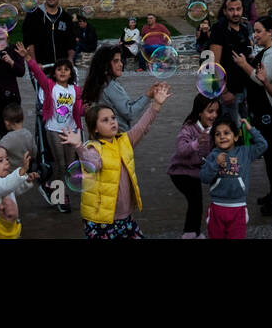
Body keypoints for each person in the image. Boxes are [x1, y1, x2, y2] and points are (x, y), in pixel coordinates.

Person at [65, 84, 172, 239]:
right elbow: (92, 165)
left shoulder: (124, 140)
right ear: (95, 128)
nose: (112, 122)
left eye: (113, 118)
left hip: (125, 216)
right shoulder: (94, 148)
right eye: (105, 120)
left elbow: (142, 126)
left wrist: (156, 104)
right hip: (100, 219)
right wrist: (79, 146)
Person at [15, 43, 82, 213]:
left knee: (69, 164)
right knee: (59, 163)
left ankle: (51, 186)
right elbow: (38, 74)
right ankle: (61, 197)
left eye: (66, 69)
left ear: (70, 73)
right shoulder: (50, 86)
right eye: (59, 69)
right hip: (54, 129)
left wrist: (84, 113)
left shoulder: (76, 90)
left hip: (70, 131)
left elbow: (78, 111)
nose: (62, 72)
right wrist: (27, 57)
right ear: (55, 72)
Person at [238, 14, 272, 215]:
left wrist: (243, 64)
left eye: (259, 31)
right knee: (270, 155)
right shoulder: (268, 50)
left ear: (270, 32)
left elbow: (262, 79)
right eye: (255, 31)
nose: (255, 35)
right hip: (262, 110)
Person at [199, 115, 268, 239]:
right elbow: (204, 178)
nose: (222, 137)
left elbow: (263, 145)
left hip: (238, 207)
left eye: (226, 133)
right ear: (214, 139)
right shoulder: (213, 155)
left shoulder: (245, 152)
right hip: (217, 207)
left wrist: (251, 129)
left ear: (236, 137)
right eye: (217, 134)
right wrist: (215, 164)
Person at [80, 43, 164, 132]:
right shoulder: (109, 86)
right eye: (115, 61)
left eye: (120, 61)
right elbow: (129, 113)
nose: (120, 64)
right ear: (105, 64)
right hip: (117, 137)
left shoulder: (99, 84)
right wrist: (148, 96)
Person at [167, 95, 219, 238]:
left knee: (197, 203)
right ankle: (190, 233)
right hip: (180, 172)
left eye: (216, 111)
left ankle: (194, 232)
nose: (214, 115)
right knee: (195, 201)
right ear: (199, 112)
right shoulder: (189, 128)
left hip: (195, 171)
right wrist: (196, 143)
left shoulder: (214, 129)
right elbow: (181, 150)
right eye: (210, 111)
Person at [22, 0, 75, 66]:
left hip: (61, 67)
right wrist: (35, 63)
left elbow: (71, 42)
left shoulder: (66, 17)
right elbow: (29, 42)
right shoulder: (33, 15)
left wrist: (70, 59)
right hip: (41, 66)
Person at [0, 104, 35, 169]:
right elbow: (34, 152)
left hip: (11, 173)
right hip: (25, 169)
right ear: (23, 118)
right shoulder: (28, 134)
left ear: (6, 122)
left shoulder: (8, 138)